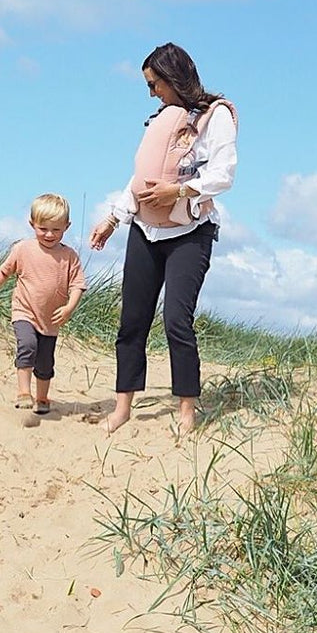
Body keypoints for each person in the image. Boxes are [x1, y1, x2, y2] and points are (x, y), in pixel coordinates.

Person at [90, 42, 237, 436]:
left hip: (190, 231)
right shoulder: (161, 119)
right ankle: (123, 406)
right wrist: (113, 219)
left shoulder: (215, 115)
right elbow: (140, 178)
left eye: (155, 84)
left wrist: (180, 191)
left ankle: (187, 410)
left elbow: (224, 174)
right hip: (145, 229)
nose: (152, 92)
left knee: (176, 320)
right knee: (132, 320)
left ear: (173, 78)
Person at [0, 193, 87, 415]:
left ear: (66, 227)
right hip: (24, 311)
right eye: (43, 229)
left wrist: (70, 307)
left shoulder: (69, 256)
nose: (49, 234)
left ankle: (42, 397)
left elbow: (78, 285)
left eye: (56, 229)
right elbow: (4, 271)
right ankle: (23, 392)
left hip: (50, 320)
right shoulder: (23, 249)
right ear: (32, 224)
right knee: (27, 345)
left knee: (45, 363)